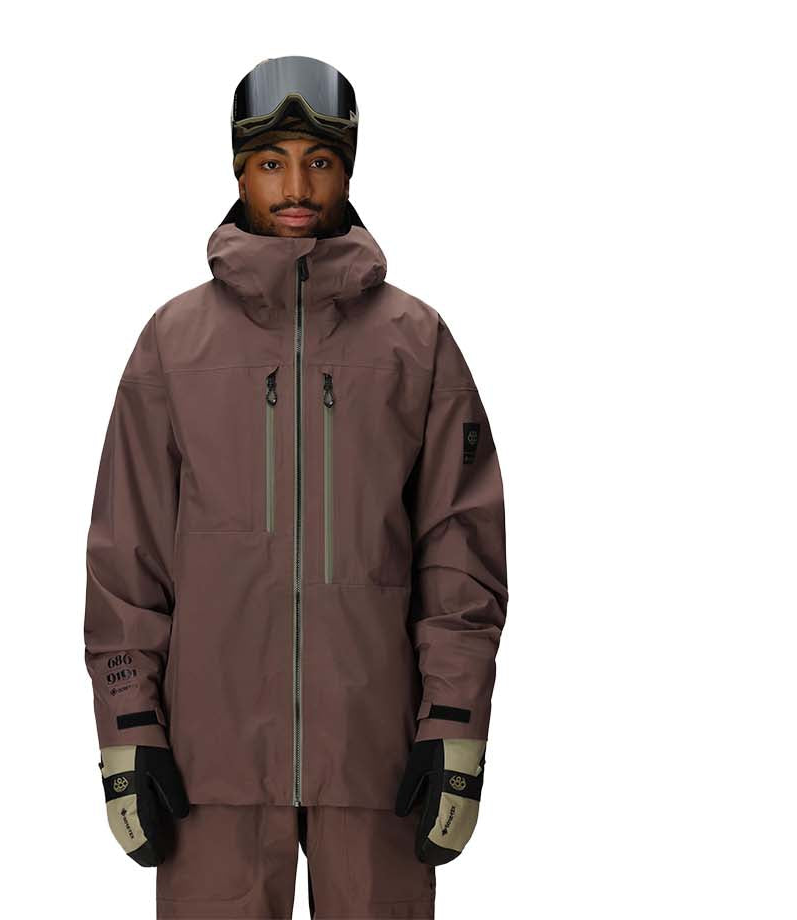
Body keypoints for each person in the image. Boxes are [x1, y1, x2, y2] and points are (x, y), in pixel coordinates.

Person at [84, 55, 509, 919]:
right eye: (271, 161)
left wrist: (455, 727)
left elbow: (460, 555)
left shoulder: (416, 341)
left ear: (349, 170)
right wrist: (129, 732)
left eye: (318, 160)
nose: (296, 186)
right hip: (210, 770)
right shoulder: (174, 343)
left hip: (379, 762)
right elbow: (127, 560)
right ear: (238, 172)